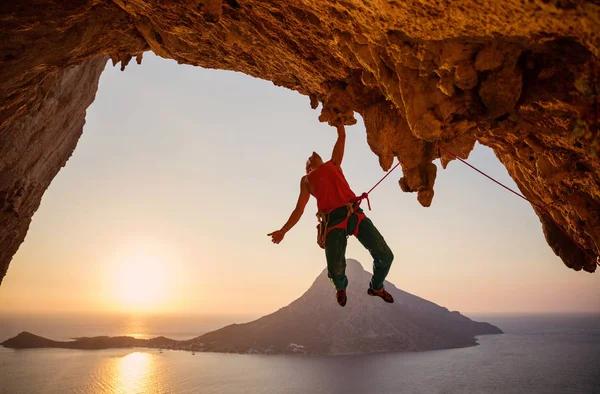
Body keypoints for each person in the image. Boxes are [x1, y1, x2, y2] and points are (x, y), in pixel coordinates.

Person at [268, 124, 394, 307]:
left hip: (354, 213)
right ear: (308, 167)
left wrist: (339, 122)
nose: (312, 153)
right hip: (333, 221)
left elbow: (341, 137)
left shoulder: (333, 164)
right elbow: (299, 209)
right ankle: (340, 287)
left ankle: (376, 287)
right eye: (308, 159)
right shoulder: (306, 180)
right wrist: (284, 230)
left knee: (386, 256)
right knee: (335, 269)